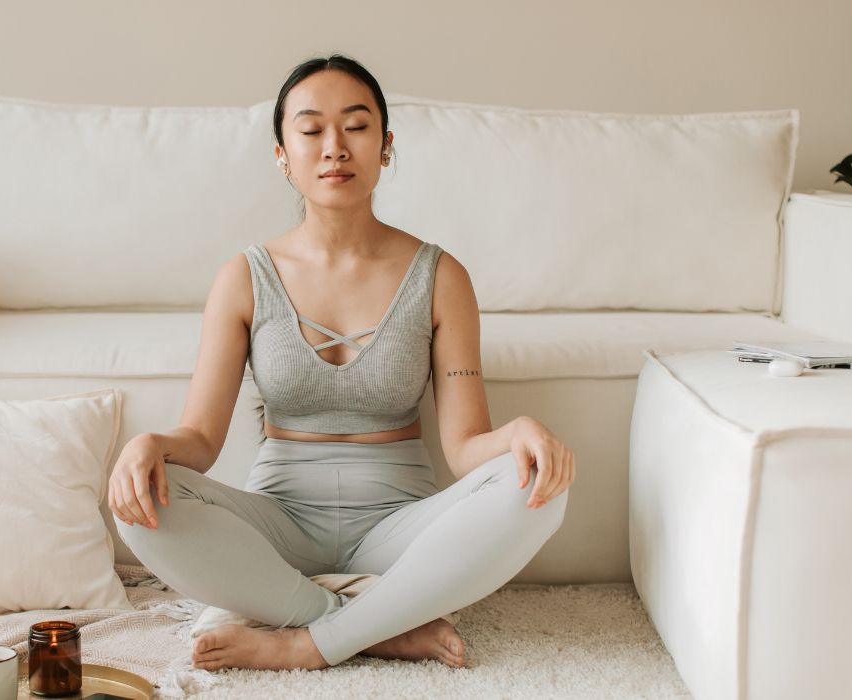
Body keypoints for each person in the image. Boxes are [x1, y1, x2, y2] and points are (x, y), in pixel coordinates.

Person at [108, 53, 575, 672]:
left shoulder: (441, 276)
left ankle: (306, 640)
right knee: (140, 504)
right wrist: (151, 444)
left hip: (399, 533)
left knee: (540, 488)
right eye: (311, 130)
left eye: (356, 127)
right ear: (282, 153)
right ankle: (370, 627)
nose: (335, 148)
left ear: (385, 146)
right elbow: (200, 439)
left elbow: (464, 447)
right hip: (277, 531)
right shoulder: (243, 277)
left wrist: (518, 435)